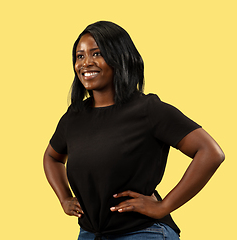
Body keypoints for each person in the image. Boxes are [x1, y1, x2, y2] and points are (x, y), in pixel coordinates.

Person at [43, 21, 224, 240]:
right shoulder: (74, 116)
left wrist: (163, 206)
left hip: (142, 232)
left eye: (97, 53)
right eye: (80, 56)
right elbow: (52, 158)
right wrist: (64, 198)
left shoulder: (148, 110)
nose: (86, 63)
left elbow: (210, 152)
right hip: (91, 234)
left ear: (119, 58)